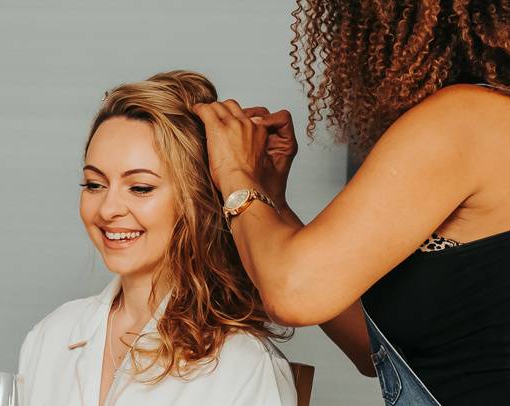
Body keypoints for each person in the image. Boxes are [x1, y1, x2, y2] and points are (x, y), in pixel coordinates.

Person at [193, 1, 510, 405]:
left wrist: (233, 170)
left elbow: (294, 292)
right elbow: (374, 348)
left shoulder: (466, 120)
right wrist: (269, 200)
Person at [0, 71, 296, 406]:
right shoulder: (52, 334)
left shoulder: (243, 364)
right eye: (94, 184)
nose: (107, 209)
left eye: (140, 187)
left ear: (198, 201)